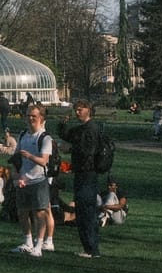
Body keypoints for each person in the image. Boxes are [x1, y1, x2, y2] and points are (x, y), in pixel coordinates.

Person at [62, 99, 108, 259]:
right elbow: (67, 135)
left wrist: (71, 148)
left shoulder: (91, 129)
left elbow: (88, 150)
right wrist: (63, 123)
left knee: (87, 211)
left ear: (88, 110)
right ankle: (88, 247)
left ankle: (92, 248)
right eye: (76, 110)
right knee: (82, 211)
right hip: (81, 173)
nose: (77, 112)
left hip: (88, 173)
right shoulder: (83, 129)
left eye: (80, 110)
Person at [11, 103, 56, 257]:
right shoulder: (23, 135)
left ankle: (39, 244)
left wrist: (29, 156)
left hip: (39, 180)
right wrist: (17, 176)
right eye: (28, 115)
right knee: (22, 213)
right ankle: (27, 241)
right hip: (24, 180)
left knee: (40, 213)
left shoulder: (45, 137)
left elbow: (44, 161)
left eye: (34, 116)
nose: (30, 118)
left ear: (41, 118)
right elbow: (16, 158)